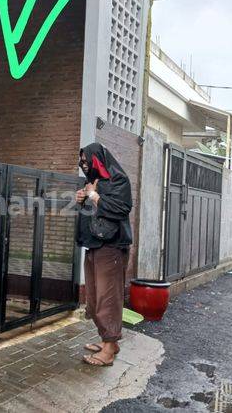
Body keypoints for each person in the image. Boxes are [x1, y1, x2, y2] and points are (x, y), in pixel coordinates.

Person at [75, 143, 133, 367]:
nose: (84, 164)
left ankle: (109, 349)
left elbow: (122, 208)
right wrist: (81, 199)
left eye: (87, 160)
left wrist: (95, 196)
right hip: (94, 244)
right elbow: (89, 213)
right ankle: (108, 340)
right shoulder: (91, 182)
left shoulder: (119, 180)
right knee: (94, 296)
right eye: (82, 161)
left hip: (112, 246)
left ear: (97, 159)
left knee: (108, 298)